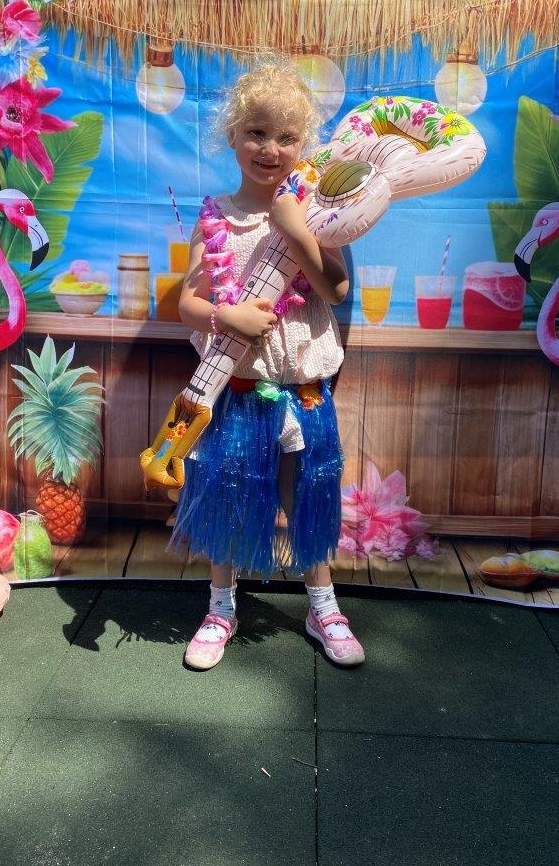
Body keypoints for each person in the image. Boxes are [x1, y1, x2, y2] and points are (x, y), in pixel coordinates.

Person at [172, 61, 365, 671]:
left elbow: (335, 288)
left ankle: (322, 605)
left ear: (304, 146)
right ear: (233, 135)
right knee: (227, 494)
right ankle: (220, 607)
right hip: (237, 387)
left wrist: (296, 230)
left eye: (286, 137)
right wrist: (224, 316)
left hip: (304, 389)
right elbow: (186, 302)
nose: (270, 149)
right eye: (257, 132)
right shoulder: (216, 216)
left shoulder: (322, 212)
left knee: (309, 494)